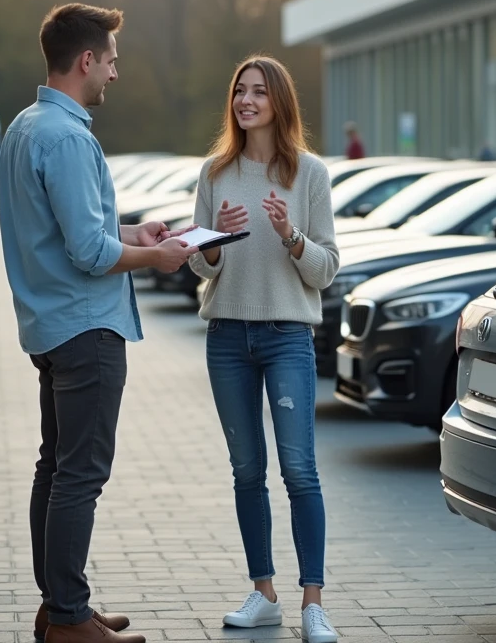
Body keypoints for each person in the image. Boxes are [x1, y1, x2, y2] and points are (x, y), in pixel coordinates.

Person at [0, 3, 197, 643]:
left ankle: (61, 605)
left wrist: (131, 231)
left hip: (50, 327)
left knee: (55, 467)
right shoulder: (69, 136)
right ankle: (68, 619)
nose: (115, 71)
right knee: (79, 473)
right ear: (87, 60)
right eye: (110, 59)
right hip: (86, 330)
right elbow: (89, 254)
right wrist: (157, 256)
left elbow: (68, 231)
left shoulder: (25, 128)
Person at [188, 56, 341, 643]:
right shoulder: (214, 173)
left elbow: (325, 270)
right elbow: (200, 263)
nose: (245, 100)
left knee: (299, 470)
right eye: (239, 92)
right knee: (246, 470)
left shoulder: (310, 174)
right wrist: (216, 243)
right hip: (227, 336)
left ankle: (313, 602)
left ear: (278, 101)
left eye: (257, 92)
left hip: (286, 338)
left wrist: (289, 235)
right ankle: (264, 593)